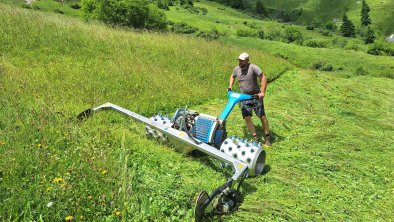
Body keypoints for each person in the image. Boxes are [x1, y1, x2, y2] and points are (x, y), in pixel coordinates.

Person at [228, 52, 272, 147]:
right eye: (239, 60)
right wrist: (230, 86)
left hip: (255, 96)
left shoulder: (253, 67)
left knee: (262, 116)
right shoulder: (236, 69)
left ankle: (267, 136)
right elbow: (232, 76)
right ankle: (255, 137)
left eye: (242, 60)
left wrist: (262, 92)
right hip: (243, 97)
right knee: (247, 117)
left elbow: (263, 78)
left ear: (247, 61)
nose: (240, 62)